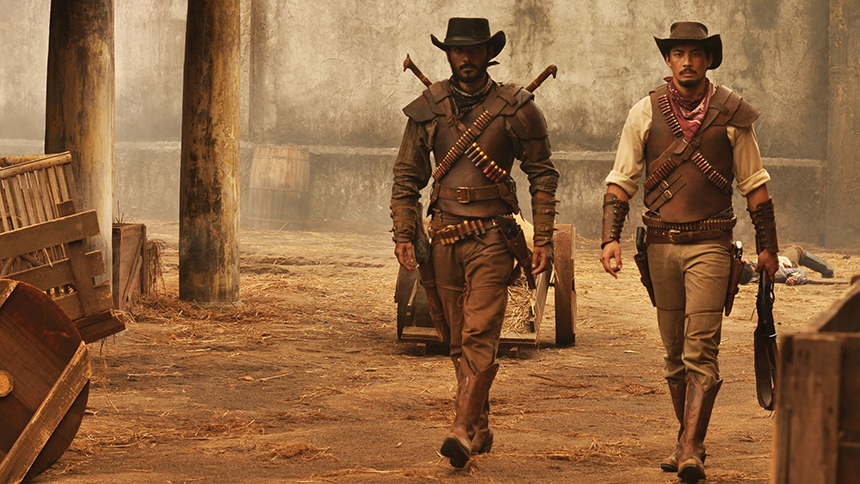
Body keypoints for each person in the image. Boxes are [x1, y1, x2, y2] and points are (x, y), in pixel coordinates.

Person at [598, 22, 779, 482]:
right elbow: (622, 180)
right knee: (674, 354)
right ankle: (686, 440)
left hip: (712, 247)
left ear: (708, 60)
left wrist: (768, 250)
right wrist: (609, 238)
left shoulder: (732, 113)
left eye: (696, 54)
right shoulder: (645, 111)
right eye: (678, 54)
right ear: (668, 60)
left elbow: (755, 186)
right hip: (660, 246)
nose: (687, 62)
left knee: (701, 348)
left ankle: (692, 446)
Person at [389, 17, 559, 468]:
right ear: (448, 54)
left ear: (488, 54)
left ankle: (461, 430)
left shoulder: (517, 109)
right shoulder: (429, 107)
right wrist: (404, 232)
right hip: (443, 236)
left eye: (475, 50)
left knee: (480, 331)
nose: (466, 58)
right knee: (454, 337)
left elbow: (543, 175)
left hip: (493, 237)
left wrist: (543, 238)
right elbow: (406, 177)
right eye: (458, 50)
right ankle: (480, 425)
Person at [741, 244, 835, 286]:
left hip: (777, 261)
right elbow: (800, 272)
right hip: (786, 264)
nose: (744, 259)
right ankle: (827, 270)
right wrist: (795, 278)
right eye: (744, 261)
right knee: (795, 249)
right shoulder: (773, 272)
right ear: (752, 268)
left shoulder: (744, 272)